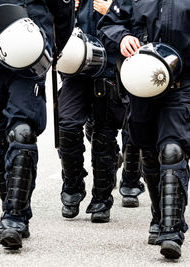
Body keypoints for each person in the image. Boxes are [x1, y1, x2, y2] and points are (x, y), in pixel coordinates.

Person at [98, 0, 190, 259]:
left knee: (173, 150)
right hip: (142, 83)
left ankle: (172, 231)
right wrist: (122, 37)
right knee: (148, 153)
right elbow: (108, 25)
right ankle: (160, 216)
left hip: (186, 83)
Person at [0, 0, 74, 249]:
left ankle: (14, 218)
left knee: (22, 133)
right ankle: (14, 204)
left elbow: (63, 15)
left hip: (28, 60)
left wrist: (48, 48)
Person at [58, 0, 123, 223]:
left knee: (104, 135)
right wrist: (66, 8)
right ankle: (73, 185)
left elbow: (142, 20)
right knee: (67, 126)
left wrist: (113, 11)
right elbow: (48, 17)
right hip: (76, 69)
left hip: (109, 69)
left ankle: (102, 198)